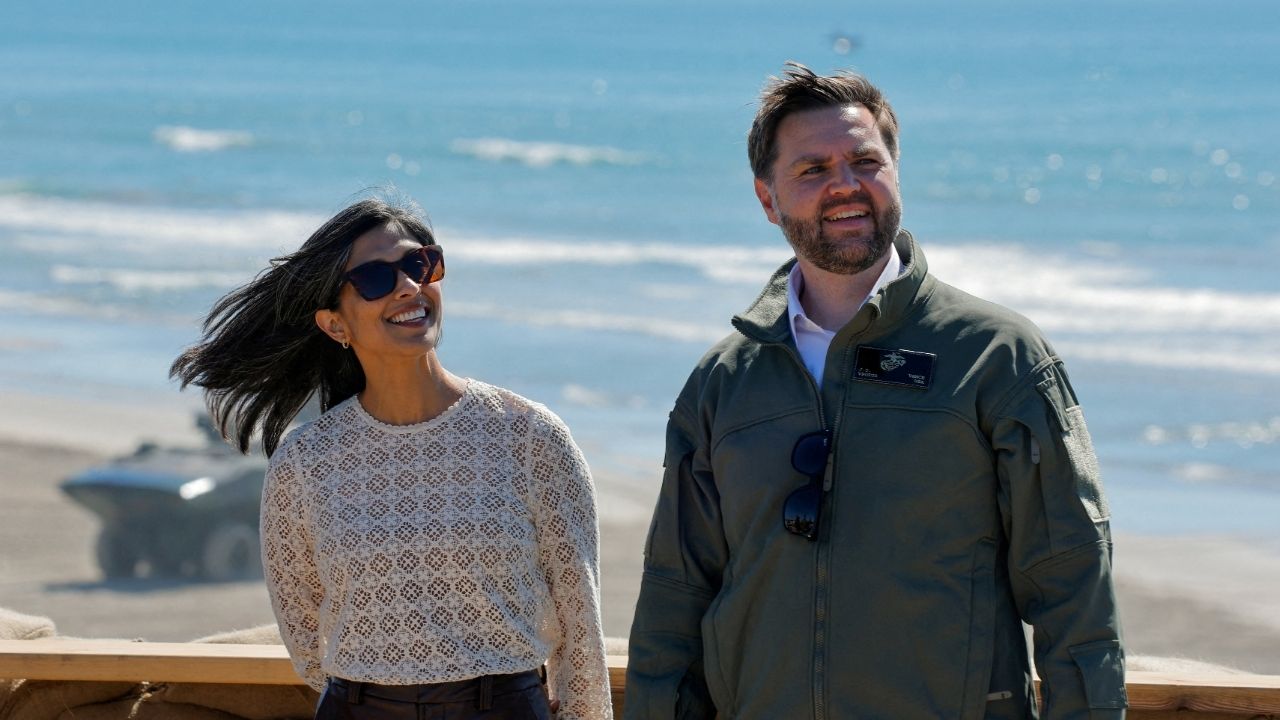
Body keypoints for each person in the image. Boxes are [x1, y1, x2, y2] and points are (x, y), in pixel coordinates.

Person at [625, 63, 1126, 719]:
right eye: (813, 170)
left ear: (896, 173)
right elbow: (674, 602)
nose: (846, 186)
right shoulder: (723, 383)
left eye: (865, 161)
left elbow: (1073, 587)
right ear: (767, 198)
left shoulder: (998, 357)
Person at [171, 195, 614, 720]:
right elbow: (306, 635)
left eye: (419, 264)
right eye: (376, 278)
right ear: (336, 325)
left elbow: (580, 623)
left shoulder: (529, 436)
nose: (408, 286)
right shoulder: (306, 462)